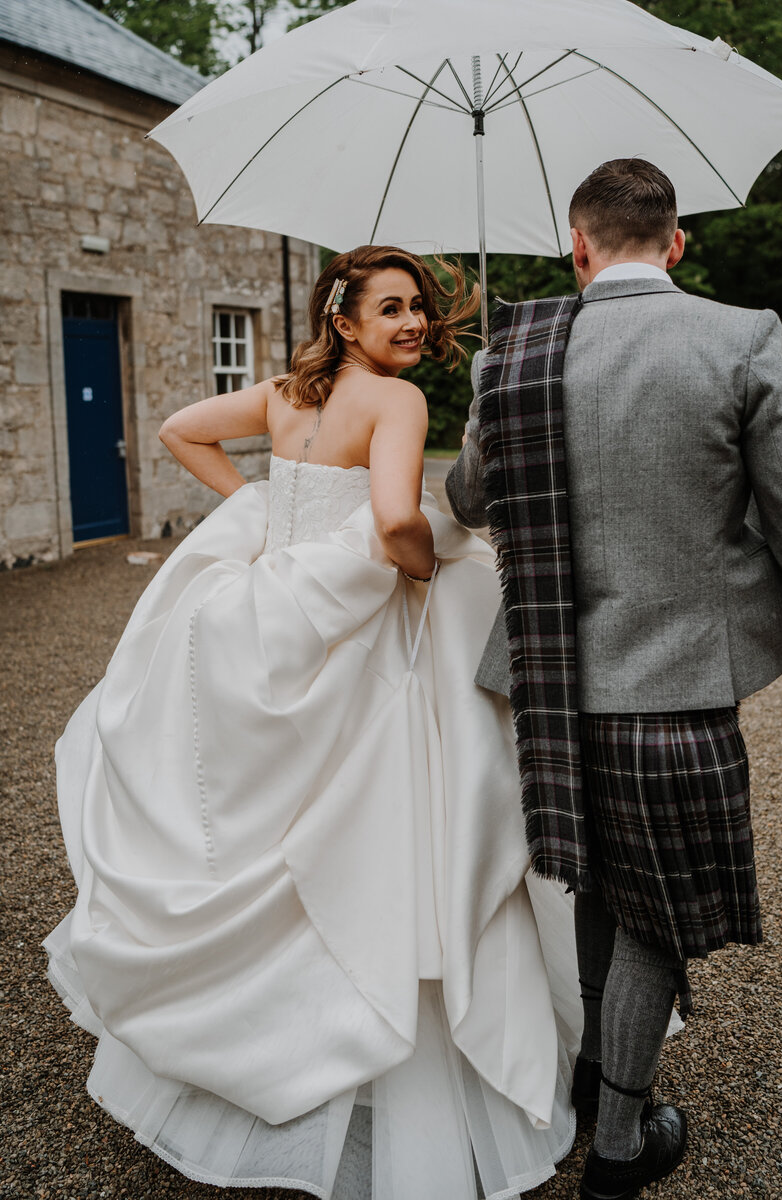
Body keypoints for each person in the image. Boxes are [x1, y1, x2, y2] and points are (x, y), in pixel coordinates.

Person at [44, 245, 583, 1198]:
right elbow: (392, 521)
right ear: (344, 319)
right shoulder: (398, 403)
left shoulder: (285, 394)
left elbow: (178, 429)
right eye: (392, 309)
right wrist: (432, 567)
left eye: (418, 307)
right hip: (363, 634)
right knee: (382, 837)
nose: (414, 322)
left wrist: (254, 505)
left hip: (269, 620)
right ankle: (385, 1055)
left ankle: (254, 1056)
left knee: (278, 836)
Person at [445, 158, 782, 1200]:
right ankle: (615, 1149)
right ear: (675, 240)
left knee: (601, 881)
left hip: (548, 684)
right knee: (651, 915)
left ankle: (601, 1074)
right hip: (678, 678)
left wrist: (486, 407)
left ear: (577, 244)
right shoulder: (739, 338)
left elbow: (468, 501)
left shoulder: (511, 350)